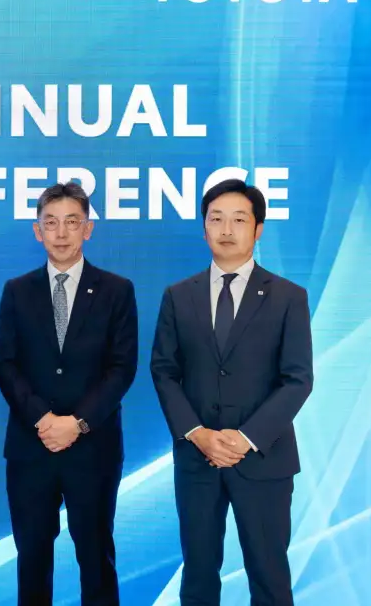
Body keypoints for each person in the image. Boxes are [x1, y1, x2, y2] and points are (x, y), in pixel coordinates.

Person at [151, 178, 313, 605]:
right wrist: (197, 433)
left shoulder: (288, 297)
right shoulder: (178, 296)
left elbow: (298, 378)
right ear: (204, 228)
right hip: (197, 460)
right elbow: (164, 371)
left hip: (263, 459)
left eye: (239, 220)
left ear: (258, 229)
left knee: (269, 576)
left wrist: (246, 438)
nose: (226, 229)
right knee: (198, 576)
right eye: (216, 219)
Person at [0, 182, 138, 606]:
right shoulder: (17, 290)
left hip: (93, 449)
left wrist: (77, 423)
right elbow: (5, 364)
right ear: (37, 231)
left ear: (87, 229)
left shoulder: (116, 290)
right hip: (31, 448)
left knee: (96, 558)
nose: (61, 233)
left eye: (71, 222)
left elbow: (121, 368)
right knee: (32, 560)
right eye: (50, 223)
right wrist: (43, 419)